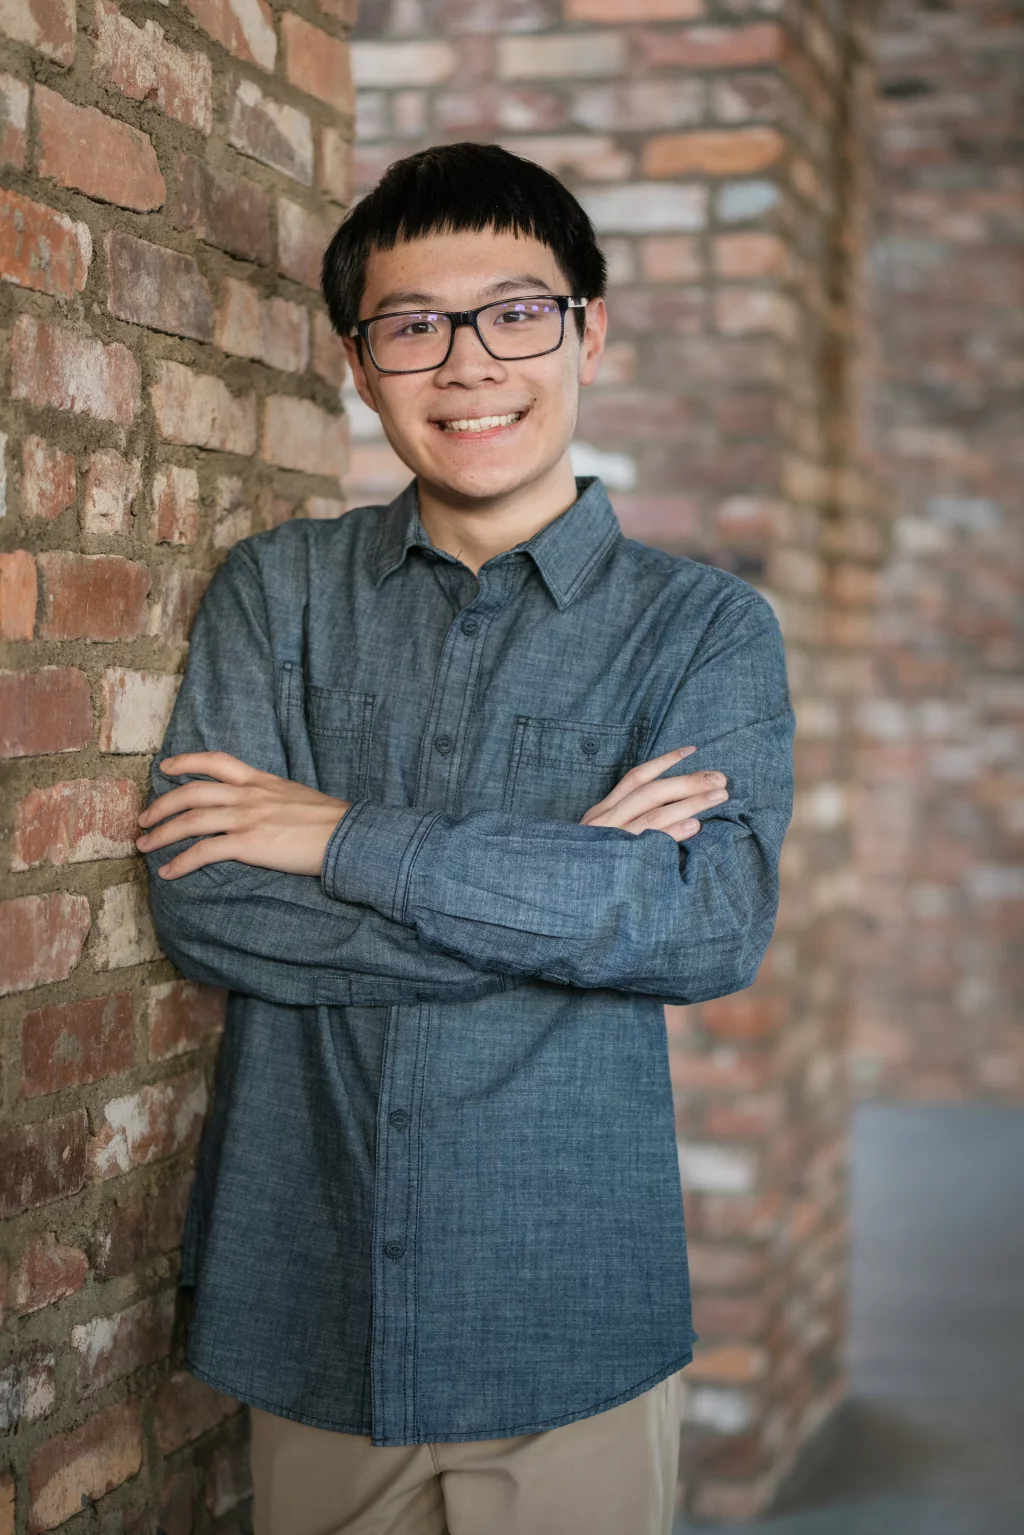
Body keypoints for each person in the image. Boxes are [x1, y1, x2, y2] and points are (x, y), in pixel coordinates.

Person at [137, 142, 794, 1535]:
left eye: (515, 312)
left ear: (587, 330)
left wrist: (337, 836)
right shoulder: (278, 594)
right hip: (310, 1301)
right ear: (360, 362)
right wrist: (571, 893)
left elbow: (708, 922)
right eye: (413, 326)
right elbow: (207, 903)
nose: (469, 364)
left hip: (565, 1319)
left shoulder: (703, 630)